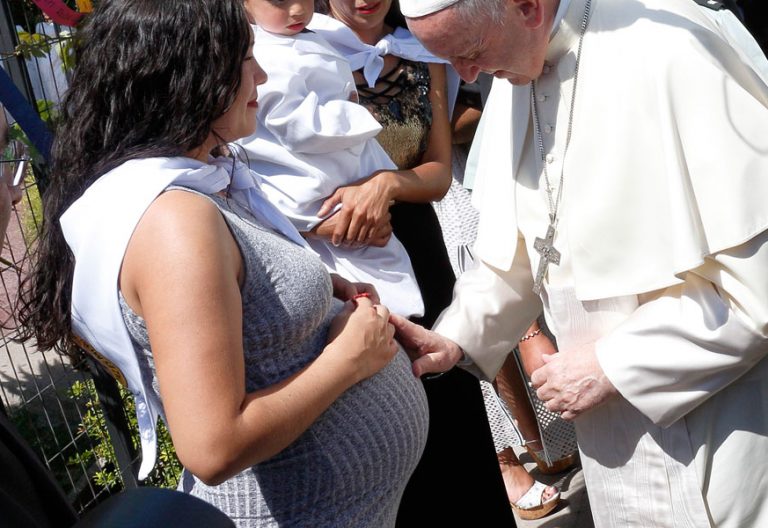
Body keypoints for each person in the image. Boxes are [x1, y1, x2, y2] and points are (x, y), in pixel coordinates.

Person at [17, 1, 428, 526]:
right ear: (194, 76)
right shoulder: (173, 223)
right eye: (248, 59)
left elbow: (234, 289)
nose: (261, 75)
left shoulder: (195, 180)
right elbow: (212, 448)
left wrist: (326, 288)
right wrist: (347, 360)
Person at [391, 0, 768, 527]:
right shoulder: (516, 68)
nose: (467, 77)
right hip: (606, 441)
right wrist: (456, 334)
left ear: (528, 7)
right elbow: (523, 246)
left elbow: (757, 290)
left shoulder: (676, 52)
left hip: (711, 428)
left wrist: (614, 365)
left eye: (471, 53)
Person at [312, 1, 515, 525]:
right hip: (345, 254)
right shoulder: (301, 56)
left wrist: (386, 186)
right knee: (383, 415)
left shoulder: (421, 52)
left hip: (420, 249)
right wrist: (336, 217)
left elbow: (439, 171)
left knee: (448, 397)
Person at [237, 0, 423, 318]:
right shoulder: (266, 55)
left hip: (336, 173)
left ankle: (397, 321)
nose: (296, 10)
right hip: (308, 184)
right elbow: (296, 126)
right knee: (359, 261)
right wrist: (357, 113)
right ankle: (391, 321)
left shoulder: (306, 34)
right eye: (280, 2)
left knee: (375, 254)